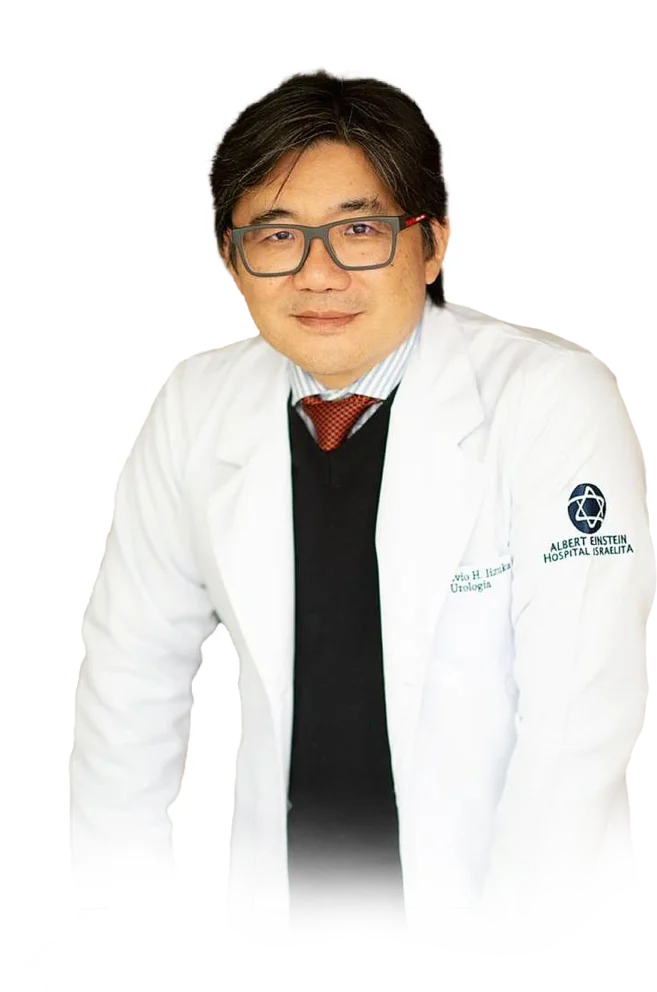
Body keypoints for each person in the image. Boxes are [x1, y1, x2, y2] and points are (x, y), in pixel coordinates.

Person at [68, 70, 651, 957]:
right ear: (230, 259)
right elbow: (128, 686)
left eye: (359, 230)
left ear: (431, 244)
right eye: (275, 235)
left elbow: (581, 713)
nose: (319, 273)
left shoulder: (547, 400)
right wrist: (124, 933)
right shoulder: (197, 405)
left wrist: (505, 951)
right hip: (288, 928)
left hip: (512, 923)